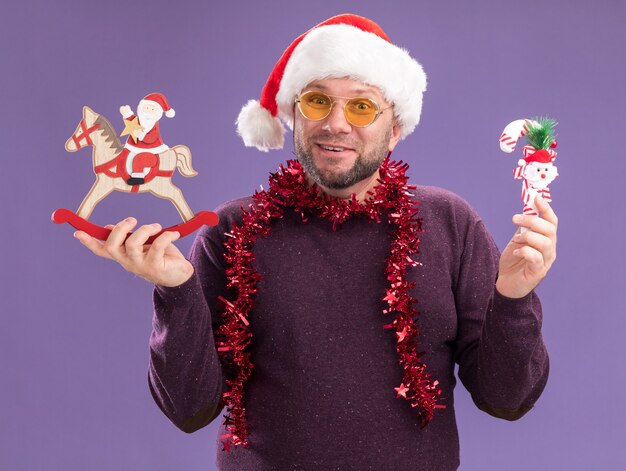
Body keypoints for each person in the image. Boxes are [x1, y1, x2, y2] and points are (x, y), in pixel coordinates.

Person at [74, 14, 557, 471]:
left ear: (395, 130)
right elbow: (189, 409)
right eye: (317, 101)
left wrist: (513, 298)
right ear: (293, 115)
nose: (336, 123)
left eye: (362, 106)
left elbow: (506, 398)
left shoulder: (449, 222)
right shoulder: (232, 230)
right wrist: (176, 292)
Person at [119, 92, 176, 185]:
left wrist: (141, 134)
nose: (149, 111)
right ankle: (119, 172)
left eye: (153, 109)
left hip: (151, 149)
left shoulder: (154, 126)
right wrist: (127, 113)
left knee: (140, 159)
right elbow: (132, 122)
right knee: (123, 155)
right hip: (132, 146)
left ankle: (138, 178)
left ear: (158, 112)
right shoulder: (139, 120)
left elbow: (151, 138)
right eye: (147, 107)